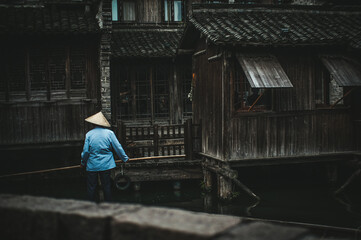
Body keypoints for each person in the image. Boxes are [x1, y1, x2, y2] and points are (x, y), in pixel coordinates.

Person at [81, 111, 129, 202]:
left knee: (91, 187)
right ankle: (108, 204)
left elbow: (86, 151)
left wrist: (83, 162)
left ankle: (92, 205)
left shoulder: (89, 134)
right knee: (106, 186)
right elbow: (117, 147)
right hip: (106, 164)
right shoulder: (109, 133)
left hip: (92, 165)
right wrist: (124, 158)